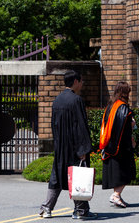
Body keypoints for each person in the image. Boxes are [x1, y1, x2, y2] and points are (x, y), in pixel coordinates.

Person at [39, 70, 97, 220]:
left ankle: (46, 208)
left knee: (56, 177)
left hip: (60, 146)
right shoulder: (76, 100)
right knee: (78, 177)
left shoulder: (57, 100)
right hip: (74, 147)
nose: (82, 83)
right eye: (81, 81)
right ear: (76, 82)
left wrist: (57, 144)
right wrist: (83, 148)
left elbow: (53, 125)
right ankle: (81, 210)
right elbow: (80, 126)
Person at [99, 81, 137, 208]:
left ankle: (117, 195)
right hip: (121, 147)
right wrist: (132, 129)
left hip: (109, 145)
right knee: (126, 172)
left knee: (117, 173)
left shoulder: (110, 106)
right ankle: (116, 195)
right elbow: (124, 128)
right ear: (125, 93)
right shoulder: (123, 108)